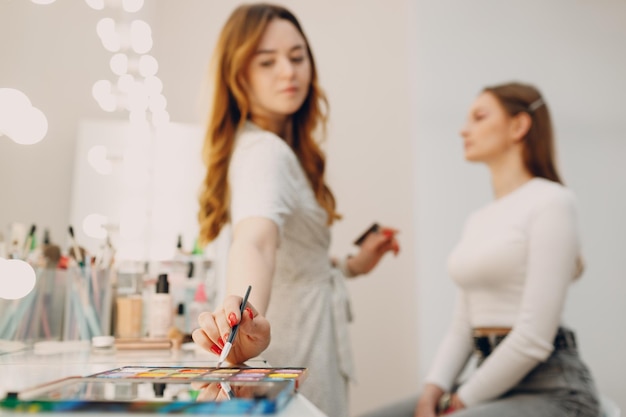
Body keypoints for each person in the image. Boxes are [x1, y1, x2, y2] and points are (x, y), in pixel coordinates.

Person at [190, 4, 400, 417]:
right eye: (267, 61)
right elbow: (256, 241)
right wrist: (242, 309)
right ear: (239, 74)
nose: (288, 71)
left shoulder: (277, 148)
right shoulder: (266, 153)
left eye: (297, 56)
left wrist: (353, 266)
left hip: (305, 337)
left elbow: (292, 257)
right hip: (295, 344)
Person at [361, 82, 600, 417]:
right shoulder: (478, 219)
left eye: (479, 117)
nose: (464, 129)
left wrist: (459, 402)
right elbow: (463, 327)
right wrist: (432, 393)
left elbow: (533, 338)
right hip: (489, 380)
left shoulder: (552, 202)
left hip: (554, 388)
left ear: (519, 126)